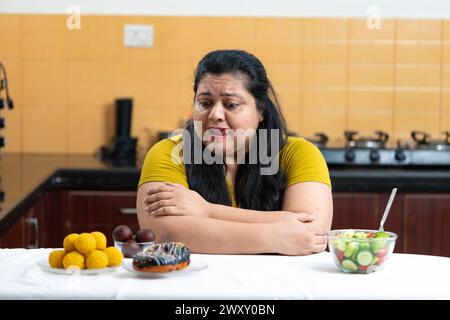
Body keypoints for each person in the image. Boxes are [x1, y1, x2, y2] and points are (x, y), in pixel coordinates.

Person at [137, 50, 332, 255]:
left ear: (261, 111)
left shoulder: (299, 153)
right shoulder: (170, 152)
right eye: (205, 103)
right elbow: (166, 233)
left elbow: (312, 233)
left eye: (231, 105)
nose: (215, 115)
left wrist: (207, 211)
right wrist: (275, 236)